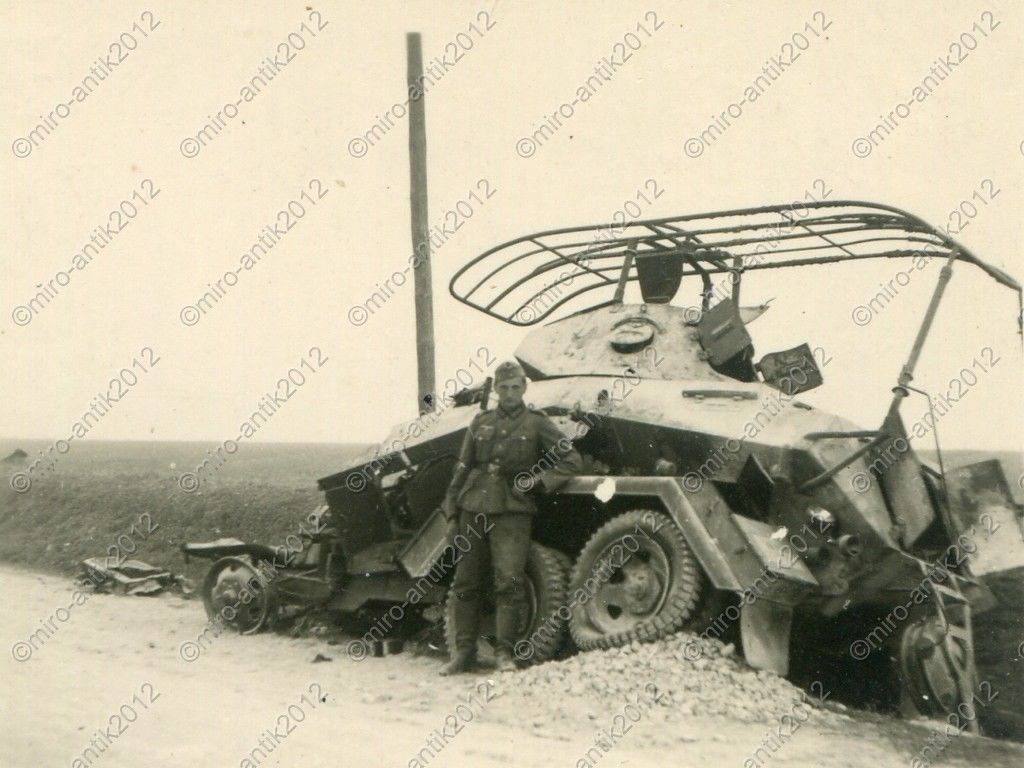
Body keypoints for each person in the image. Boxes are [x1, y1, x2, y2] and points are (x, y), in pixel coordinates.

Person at [439, 360, 581, 675]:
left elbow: (571, 458)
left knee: (509, 583)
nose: (510, 393)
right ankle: (464, 653)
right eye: (504, 388)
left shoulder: (537, 423)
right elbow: (462, 468)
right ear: (497, 391)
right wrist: (451, 514)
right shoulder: (481, 422)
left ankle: (505, 653)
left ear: (524, 388)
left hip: (512, 512)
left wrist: (539, 481)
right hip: (473, 508)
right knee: (466, 582)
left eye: (515, 387)